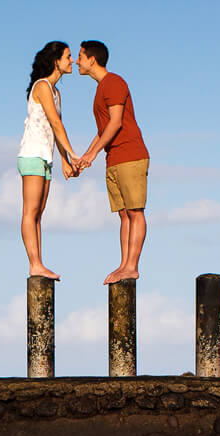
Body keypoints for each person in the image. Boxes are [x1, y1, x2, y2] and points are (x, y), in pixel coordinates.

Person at [70, 40, 149, 285]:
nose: (76, 61)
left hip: (130, 155)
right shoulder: (100, 88)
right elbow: (102, 130)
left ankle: (132, 266)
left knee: (135, 211)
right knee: (124, 214)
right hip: (113, 157)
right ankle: (124, 264)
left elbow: (115, 123)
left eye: (80, 56)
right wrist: (86, 156)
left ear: (92, 59)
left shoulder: (114, 82)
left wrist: (93, 154)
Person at [17, 41, 81, 281]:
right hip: (32, 154)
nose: (72, 60)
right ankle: (35, 264)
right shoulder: (42, 86)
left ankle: (39, 262)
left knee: (39, 213)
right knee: (30, 211)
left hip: (46, 156)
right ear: (56, 60)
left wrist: (64, 159)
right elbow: (56, 123)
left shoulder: (56, 92)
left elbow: (56, 130)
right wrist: (73, 152)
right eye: (68, 56)